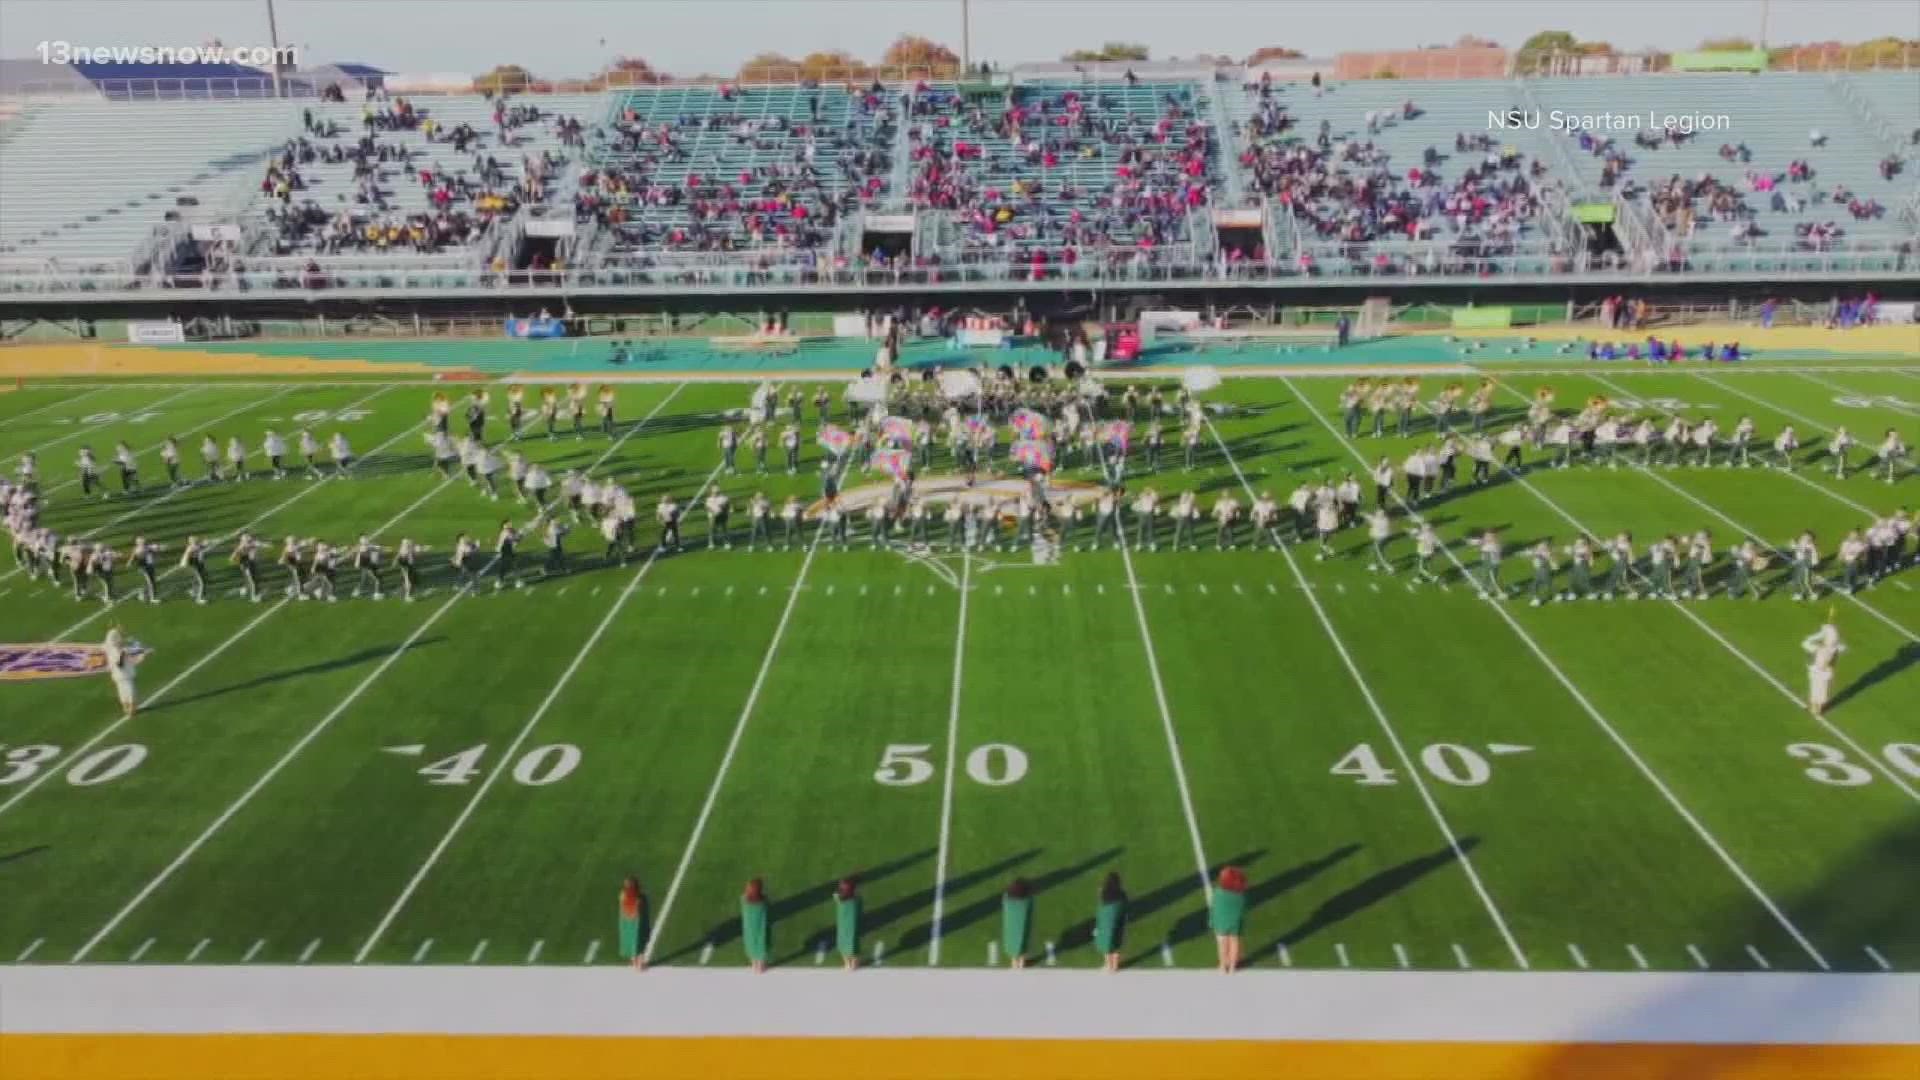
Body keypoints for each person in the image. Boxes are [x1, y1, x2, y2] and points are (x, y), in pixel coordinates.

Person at [1802, 617, 1844, 718]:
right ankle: (1815, 707)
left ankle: (1817, 708)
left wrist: (1818, 635)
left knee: (1818, 689)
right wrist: (1825, 631)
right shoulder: (1836, 648)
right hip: (1825, 671)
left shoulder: (1822, 648)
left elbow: (1805, 643)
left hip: (1821, 671)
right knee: (1819, 689)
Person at [1210, 866, 1247, 973]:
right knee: (1234, 942)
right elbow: (1243, 909)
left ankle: (1223, 965)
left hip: (1222, 922)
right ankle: (1232, 967)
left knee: (1222, 943)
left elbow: (1214, 908)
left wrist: (1211, 921)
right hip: (1235, 922)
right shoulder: (1240, 895)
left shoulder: (1218, 893)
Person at [103, 626, 140, 719]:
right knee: (129, 691)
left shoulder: (110, 650)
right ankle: (130, 709)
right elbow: (120, 664)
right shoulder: (117, 651)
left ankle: (126, 707)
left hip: (117, 675)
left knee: (122, 691)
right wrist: (124, 655)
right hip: (125, 674)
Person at [1093, 872, 1127, 973]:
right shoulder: (1122, 894)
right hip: (1118, 921)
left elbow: (1101, 907)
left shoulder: (1103, 893)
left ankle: (1108, 965)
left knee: (1106, 943)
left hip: (1106, 923)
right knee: (1116, 943)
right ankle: (1115, 966)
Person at [1001, 877, 1034, 970]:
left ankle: (1014, 963)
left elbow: (1004, 898)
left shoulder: (1007, 899)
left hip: (1010, 927)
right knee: (1023, 941)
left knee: (1012, 943)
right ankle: (1021, 963)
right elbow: (1031, 902)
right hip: (1022, 926)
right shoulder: (1027, 901)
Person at [618, 876, 650, 972]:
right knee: (640, 941)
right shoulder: (640, 897)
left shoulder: (623, 895)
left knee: (630, 940)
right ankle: (640, 963)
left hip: (626, 921)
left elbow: (623, 908)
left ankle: (634, 960)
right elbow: (641, 910)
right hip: (637, 922)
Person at [740, 878, 772, 974]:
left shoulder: (744, 901)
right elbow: (767, 903)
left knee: (751, 944)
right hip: (762, 928)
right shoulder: (763, 902)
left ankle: (754, 965)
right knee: (762, 943)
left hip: (749, 929)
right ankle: (761, 967)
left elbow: (743, 896)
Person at [834, 877, 862, 972]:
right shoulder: (856, 901)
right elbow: (858, 895)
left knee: (843, 944)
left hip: (842, 926)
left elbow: (836, 894)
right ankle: (854, 964)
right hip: (853, 926)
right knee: (854, 944)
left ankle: (847, 964)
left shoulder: (838, 899)